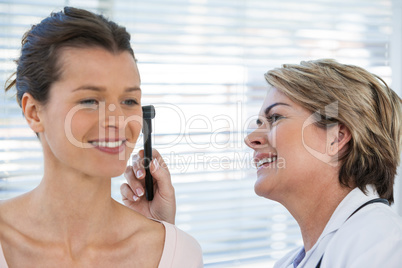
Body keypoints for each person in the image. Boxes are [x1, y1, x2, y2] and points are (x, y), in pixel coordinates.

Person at [121, 59, 402, 267]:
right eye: (258, 122)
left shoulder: (382, 244)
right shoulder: (293, 262)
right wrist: (158, 233)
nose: (251, 138)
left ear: (336, 137)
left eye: (275, 118)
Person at [0, 7, 203, 267]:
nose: (119, 120)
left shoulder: (178, 253)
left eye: (129, 100)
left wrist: (162, 237)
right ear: (34, 112)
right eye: (89, 100)